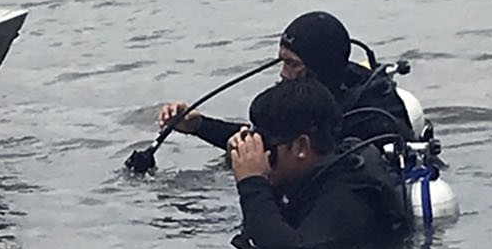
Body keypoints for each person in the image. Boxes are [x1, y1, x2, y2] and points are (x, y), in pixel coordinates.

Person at [157, 10, 412, 148]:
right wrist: (198, 125)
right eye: (282, 61)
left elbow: (266, 145)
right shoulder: (307, 100)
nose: (283, 73)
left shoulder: (371, 114)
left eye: (291, 64)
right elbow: (262, 138)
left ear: (319, 66)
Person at [227, 78, 414, 249]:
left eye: (266, 147)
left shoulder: (346, 195)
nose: (261, 155)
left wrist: (252, 184)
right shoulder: (315, 177)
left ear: (301, 146)